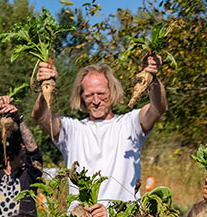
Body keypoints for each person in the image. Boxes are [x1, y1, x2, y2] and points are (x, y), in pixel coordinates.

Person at [31, 57, 166, 205]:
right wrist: (47, 84)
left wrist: (151, 76)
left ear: (112, 91)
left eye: (101, 94)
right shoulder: (72, 130)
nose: (96, 101)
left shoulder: (130, 124)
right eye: (89, 95)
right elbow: (40, 115)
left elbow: (158, 108)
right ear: (81, 96)